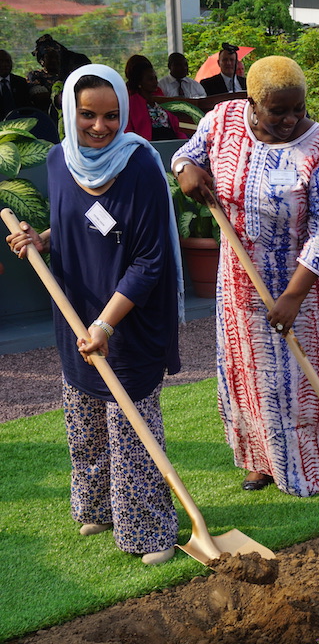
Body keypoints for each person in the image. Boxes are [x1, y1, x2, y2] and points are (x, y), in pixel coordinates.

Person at [6, 63, 182, 565]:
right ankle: (99, 508)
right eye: (88, 115)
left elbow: (149, 261)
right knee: (84, 423)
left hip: (128, 319)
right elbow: (76, 222)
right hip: (75, 312)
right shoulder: (60, 159)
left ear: (124, 112)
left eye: (111, 115)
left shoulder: (140, 165)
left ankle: (148, 530)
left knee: (132, 432)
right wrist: (41, 239)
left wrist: (106, 324)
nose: (100, 127)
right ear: (70, 112)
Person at [173, 56, 319, 496]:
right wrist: (185, 171)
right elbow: (186, 155)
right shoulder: (222, 121)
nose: (290, 119)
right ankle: (260, 460)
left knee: (302, 381)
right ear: (252, 103)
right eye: (278, 111)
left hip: (303, 289)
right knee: (249, 375)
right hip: (240, 283)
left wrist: (294, 296)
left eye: (298, 108)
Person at [124, 55, 186, 142]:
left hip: (171, 140)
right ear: (139, 82)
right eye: (150, 79)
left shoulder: (160, 97)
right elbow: (128, 131)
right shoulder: (131, 103)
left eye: (155, 78)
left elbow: (176, 125)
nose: (155, 82)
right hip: (148, 143)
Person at [0, 49, 30, 118]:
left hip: (20, 120)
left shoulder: (20, 82)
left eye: (8, 61)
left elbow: (27, 106)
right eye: (1, 61)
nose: (5, 65)